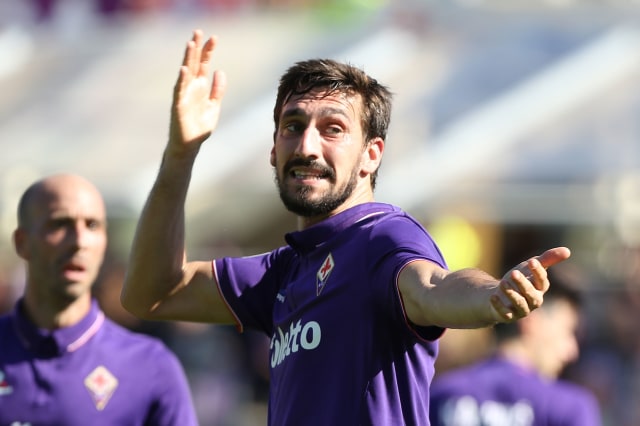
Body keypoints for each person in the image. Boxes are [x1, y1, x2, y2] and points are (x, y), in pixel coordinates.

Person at [120, 29, 572, 425]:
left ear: (371, 155)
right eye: (292, 126)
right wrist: (181, 155)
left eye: (332, 129)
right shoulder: (284, 271)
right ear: (273, 149)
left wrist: (491, 296)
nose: (307, 146)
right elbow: (150, 293)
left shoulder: (382, 237)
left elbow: (433, 286)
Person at [0, 174, 198, 426]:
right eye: (60, 224)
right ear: (22, 242)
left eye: (92, 225)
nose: (79, 242)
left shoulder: (149, 366)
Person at [429, 267, 601, 426]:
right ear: (531, 322)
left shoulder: (439, 395)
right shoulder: (568, 408)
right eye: (568, 332)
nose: (572, 352)